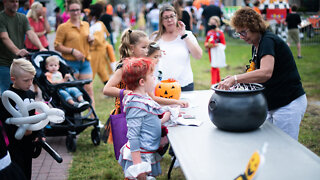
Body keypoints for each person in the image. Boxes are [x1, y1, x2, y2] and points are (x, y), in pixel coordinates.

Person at [218, 7, 307, 140]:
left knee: (285, 151)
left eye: (243, 32)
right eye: (238, 33)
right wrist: (235, 78)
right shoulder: (257, 44)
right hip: (273, 103)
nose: (242, 37)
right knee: (269, 147)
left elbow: (265, 73)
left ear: (254, 26)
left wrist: (236, 79)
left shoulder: (267, 41)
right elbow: (255, 72)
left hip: (288, 103)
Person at [118, 57, 171, 179]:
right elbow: (133, 136)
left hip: (147, 150)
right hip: (140, 155)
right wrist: (138, 168)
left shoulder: (143, 99)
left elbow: (148, 123)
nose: (154, 78)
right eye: (152, 76)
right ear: (142, 82)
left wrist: (165, 118)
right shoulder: (136, 104)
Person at [0, 58, 45, 179]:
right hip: (13, 145)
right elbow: (5, 123)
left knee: (27, 171)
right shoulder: (6, 98)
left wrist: (39, 134)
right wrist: (20, 130)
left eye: (32, 79)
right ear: (13, 79)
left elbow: (33, 116)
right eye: (26, 80)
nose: (30, 83)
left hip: (28, 143)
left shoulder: (30, 94)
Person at [54, 0, 95, 109]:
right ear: (68, 11)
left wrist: (91, 40)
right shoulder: (63, 27)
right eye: (72, 10)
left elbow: (87, 42)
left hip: (85, 62)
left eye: (77, 9)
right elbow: (57, 46)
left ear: (80, 10)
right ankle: (78, 118)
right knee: (74, 91)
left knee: (89, 89)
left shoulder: (85, 24)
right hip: (70, 63)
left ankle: (94, 119)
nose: (75, 12)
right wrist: (72, 51)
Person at [0, 0, 47, 94]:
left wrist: (41, 47)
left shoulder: (22, 18)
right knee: (7, 92)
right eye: (12, 1)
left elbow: (31, 33)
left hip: (17, 63)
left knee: (21, 91)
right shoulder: (1, 18)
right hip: (3, 62)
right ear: (5, 2)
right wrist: (17, 51)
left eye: (17, 1)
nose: (15, 4)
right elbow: (4, 37)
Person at [153, 4, 202, 91]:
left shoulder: (187, 35)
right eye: (166, 17)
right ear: (161, 20)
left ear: (176, 17)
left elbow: (198, 55)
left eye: (172, 16)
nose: (169, 20)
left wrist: (184, 36)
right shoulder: (155, 38)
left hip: (184, 85)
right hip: (161, 86)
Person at [88, 3, 116, 85]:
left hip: (96, 51)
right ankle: (110, 88)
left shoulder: (98, 25)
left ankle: (89, 87)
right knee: (101, 70)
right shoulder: (96, 24)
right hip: (98, 51)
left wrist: (90, 39)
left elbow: (98, 39)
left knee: (91, 71)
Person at [204, 16, 226, 86]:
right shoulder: (209, 32)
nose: (212, 25)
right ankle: (218, 82)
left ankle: (213, 83)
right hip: (211, 52)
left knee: (214, 67)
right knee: (215, 66)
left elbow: (223, 44)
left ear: (217, 23)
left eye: (214, 23)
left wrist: (216, 45)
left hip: (217, 52)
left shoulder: (220, 33)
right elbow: (206, 42)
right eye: (211, 23)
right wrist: (207, 44)